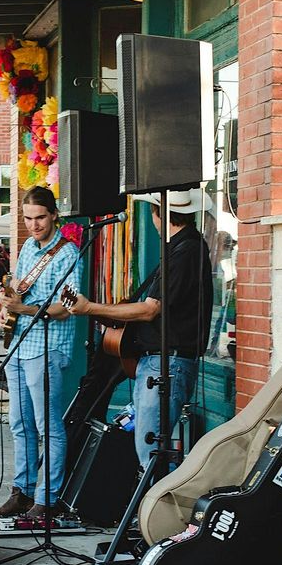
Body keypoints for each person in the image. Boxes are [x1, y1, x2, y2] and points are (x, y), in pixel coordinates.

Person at [55, 188, 213, 472]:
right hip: (159, 361)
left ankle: (156, 515)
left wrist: (90, 308)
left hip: (169, 363)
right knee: (147, 448)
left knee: (150, 451)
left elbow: (150, 309)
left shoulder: (186, 250)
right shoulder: (179, 248)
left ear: (159, 214)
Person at [0, 187, 81, 523]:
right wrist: (6, 310)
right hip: (19, 344)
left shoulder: (68, 254)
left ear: (54, 214)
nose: (34, 225)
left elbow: (69, 306)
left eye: (40, 217)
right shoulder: (28, 246)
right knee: (19, 424)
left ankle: (47, 498)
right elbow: (17, 288)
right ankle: (23, 491)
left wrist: (25, 309)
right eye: (28, 218)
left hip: (47, 344)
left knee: (48, 427)